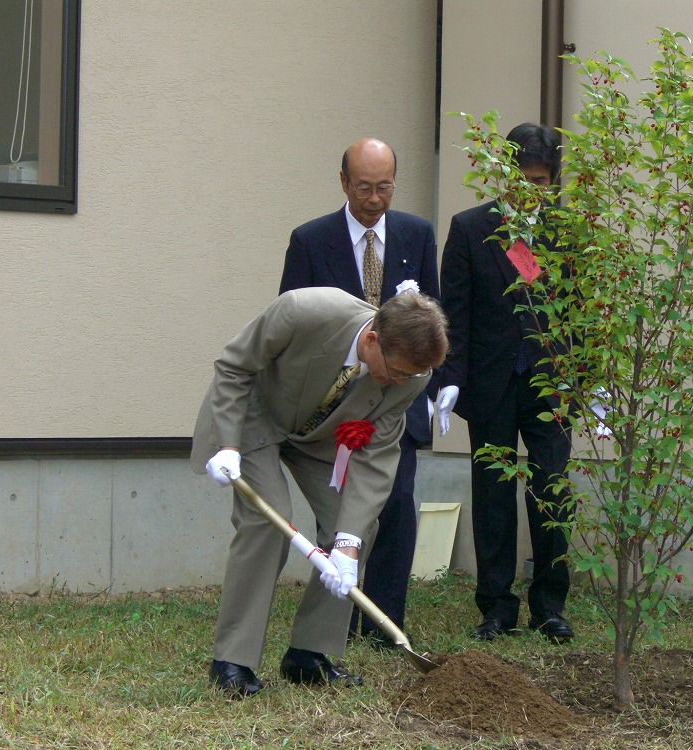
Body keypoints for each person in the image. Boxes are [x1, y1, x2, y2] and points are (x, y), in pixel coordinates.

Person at [191, 286, 448, 698]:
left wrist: (347, 546)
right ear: (371, 340)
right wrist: (227, 446)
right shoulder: (303, 311)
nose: (402, 383)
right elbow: (234, 367)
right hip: (253, 418)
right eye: (397, 373)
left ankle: (309, 655)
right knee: (266, 519)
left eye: (410, 377)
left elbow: (377, 456)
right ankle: (232, 660)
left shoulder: (414, 375)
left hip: (321, 437)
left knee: (353, 524)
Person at [278, 137, 439, 644]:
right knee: (346, 511)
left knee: (397, 501)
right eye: (364, 187)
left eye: (385, 187)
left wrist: (436, 384)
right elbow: (292, 326)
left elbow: (432, 315)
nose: (374, 199)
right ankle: (338, 616)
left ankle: (385, 619)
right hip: (337, 405)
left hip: (394, 398)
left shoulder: (416, 234)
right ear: (344, 183)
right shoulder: (311, 240)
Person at [434, 122, 575, 643]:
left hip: (550, 388)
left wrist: (591, 385)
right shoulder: (471, 228)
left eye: (540, 182)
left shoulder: (566, 232)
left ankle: (550, 603)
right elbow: (456, 312)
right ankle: (496, 605)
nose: (531, 192)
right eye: (523, 180)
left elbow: (580, 314)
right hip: (491, 384)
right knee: (492, 495)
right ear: (505, 175)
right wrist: (450, 378)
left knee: (551, 493)